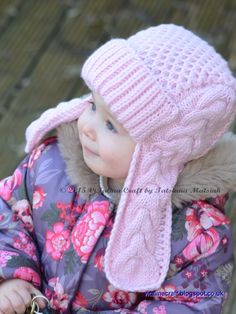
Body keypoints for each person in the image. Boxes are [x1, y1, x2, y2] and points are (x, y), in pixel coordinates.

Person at [0, 24, 236, 314]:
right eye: (93, 105)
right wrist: (11, 275)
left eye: (110, 125)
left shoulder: (197, 235)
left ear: (158, 154)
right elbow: (7, 209)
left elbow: (193, 302)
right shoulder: (50, 163)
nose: (87, 127)